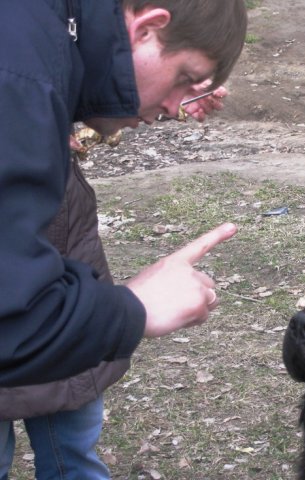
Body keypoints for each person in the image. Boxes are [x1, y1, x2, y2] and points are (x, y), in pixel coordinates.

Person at [0, 0, 247, 478]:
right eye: (184, 78)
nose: (176, 109)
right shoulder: (20, 77)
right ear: (148, 28)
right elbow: (11, 318)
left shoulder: (39, 40)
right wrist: (134, 307)